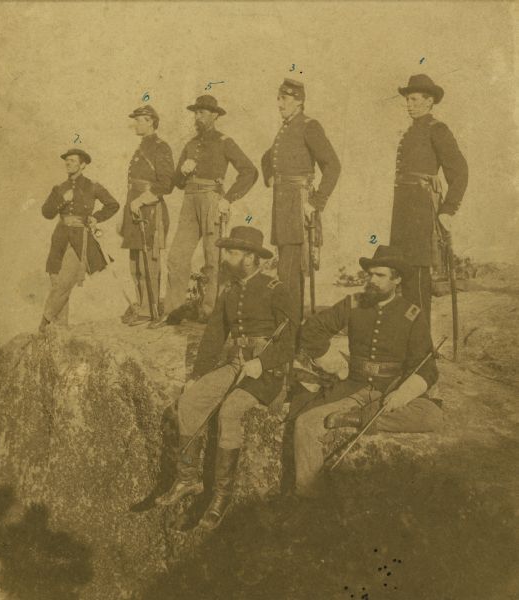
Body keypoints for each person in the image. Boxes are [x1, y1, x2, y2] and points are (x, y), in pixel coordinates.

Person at [156, 226, 295, 530]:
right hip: (236, 365)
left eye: (232, 252)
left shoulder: (275, 288)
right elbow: (214, 336)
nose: (226, 257)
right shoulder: (230, 291)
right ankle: (188, 479)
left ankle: (221, 496)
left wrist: (263, 361)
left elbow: (292, 339)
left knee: (231, 409)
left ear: (249, 257)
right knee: (190, 402)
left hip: (268, 373)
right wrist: (197, 375)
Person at [291, 245, 443, 499]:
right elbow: (311, 330)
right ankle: (308, 499)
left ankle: (358, 418)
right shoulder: (353, 303)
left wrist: (404, 394)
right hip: (353, 386)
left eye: (380, 275)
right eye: (370, 274)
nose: (371, 280)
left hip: (390, 389)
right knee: (305, 423)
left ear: (397, 279)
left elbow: (426, 366)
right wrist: (332, 363)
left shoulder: (411, 314)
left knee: (432, 416)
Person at [165, 95, 258, 322]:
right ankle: (173, 311)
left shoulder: (224, 141)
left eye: (202, 113)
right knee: (177, 256)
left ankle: (210, 312)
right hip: (189, 199)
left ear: (214, 115)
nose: (197, 117)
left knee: (212, 258)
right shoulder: (190, 144)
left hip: (211, 199)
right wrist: (182, 172)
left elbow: (249, 171)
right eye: (196, 113)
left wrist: (228, 198)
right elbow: (175, 183)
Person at [261, 78, 340, 324]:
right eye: (278, 98)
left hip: (298, 207)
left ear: (299, 101)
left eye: (284, 99)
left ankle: (289, 331)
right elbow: (268, 157)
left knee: (290, 272)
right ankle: (288, 328)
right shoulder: (285, 128)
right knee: (287, 268)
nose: (279, 104)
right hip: (283, 206)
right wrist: (270, 176)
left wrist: (315, 202)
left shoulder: (309, 126)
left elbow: (333, 166)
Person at [390, 74, 468, 324]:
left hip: (422, 214)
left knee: (419, 278)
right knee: (405, 274)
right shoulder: (411, 132)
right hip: (403, 214)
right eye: (407, 99)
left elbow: (460, 172)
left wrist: (448, 210)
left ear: (429, 100)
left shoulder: (438, 130)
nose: (408, 104)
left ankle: (422, 348)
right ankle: (410, 340)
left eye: (413, 99)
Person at [39, 149, 119, 332]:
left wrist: (96, 217)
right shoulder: (59, 188)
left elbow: (113, 204)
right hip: (59, 238)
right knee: (56, 279)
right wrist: (61, 200)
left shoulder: (93, 186)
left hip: (79, 239)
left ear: (83, 165)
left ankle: (43, 324)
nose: (68, 163)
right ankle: (60, 328)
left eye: (73, 161)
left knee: (65, 282)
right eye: (66, 160)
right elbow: (46, 212)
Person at [120, 105, 175, 326]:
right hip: (134, 208)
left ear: (151, 121)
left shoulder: (161, 147)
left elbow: (166, 183)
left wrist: (142, 200)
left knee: (148, 261)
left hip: (150, 209)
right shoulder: (141, 147)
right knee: (135, 263)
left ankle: (149, 310)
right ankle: (141, 306)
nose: (136, 124)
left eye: (140, 120)